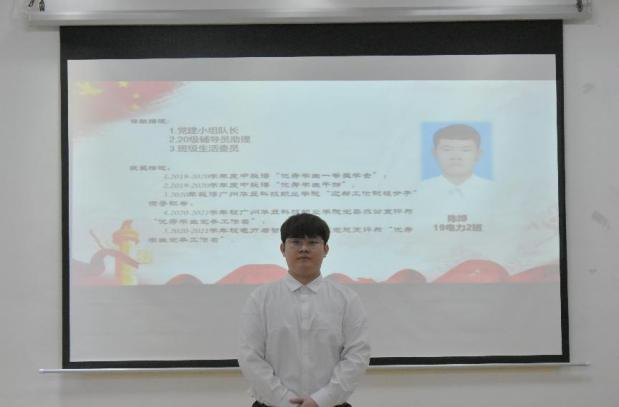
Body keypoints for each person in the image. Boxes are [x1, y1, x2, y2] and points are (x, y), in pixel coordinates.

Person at [239, 213, 370, 407]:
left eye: (312, 243)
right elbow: (250, 356)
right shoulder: (261, 299)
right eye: (296, 242)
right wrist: (286, 401)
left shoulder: (347, 299)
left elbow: (357, 355)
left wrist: (321, 400)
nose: (304, 249)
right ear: (282, 249)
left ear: (325, 249)